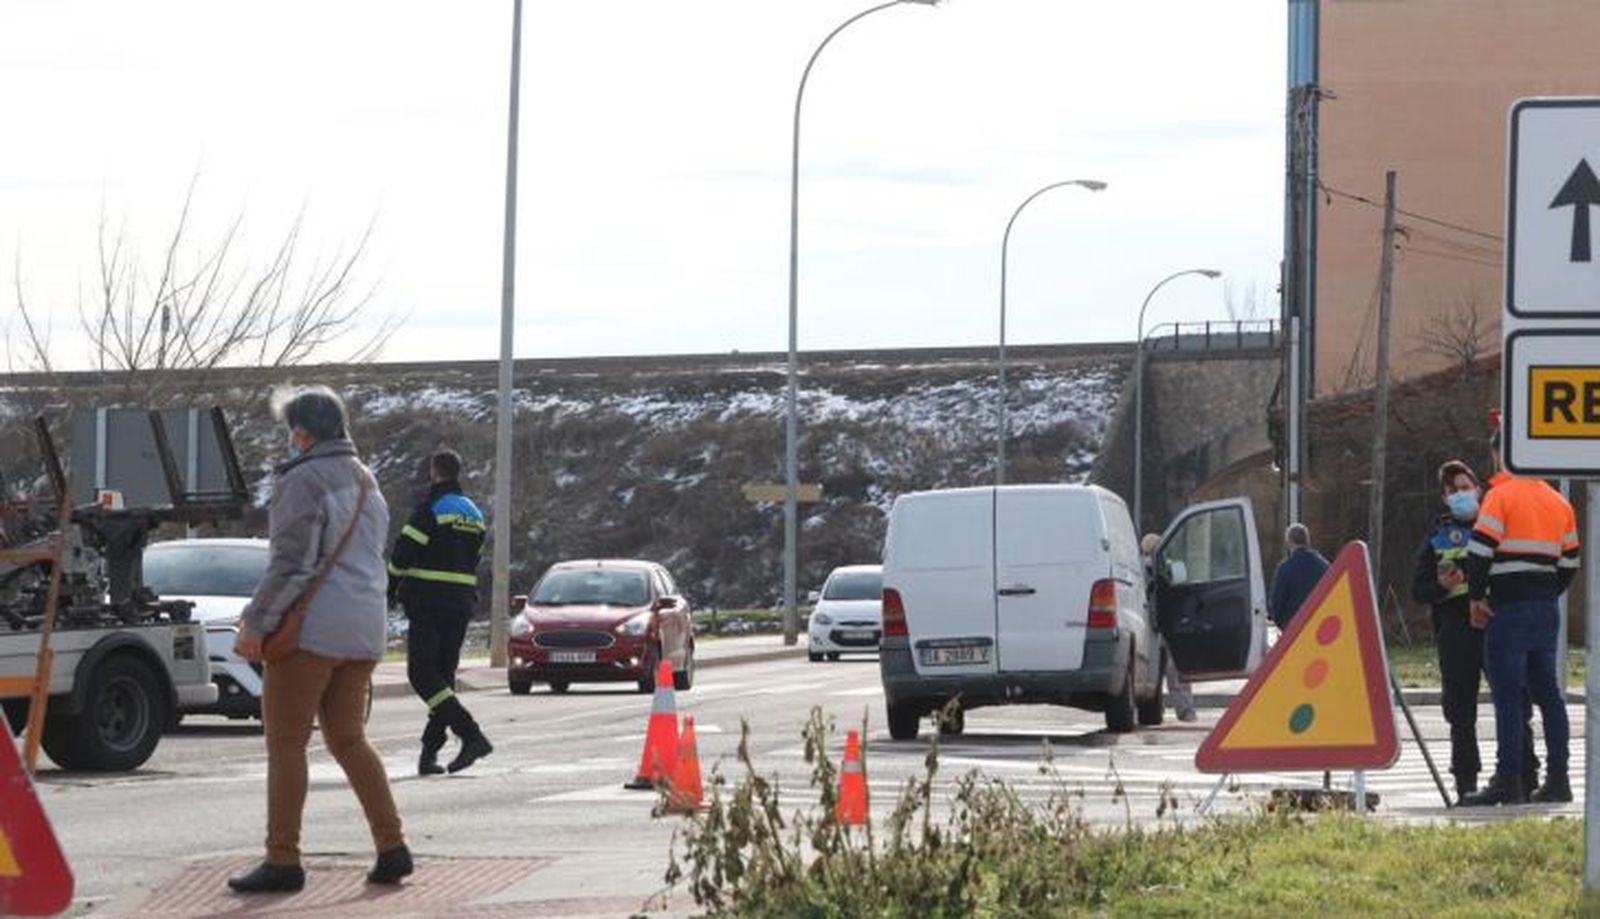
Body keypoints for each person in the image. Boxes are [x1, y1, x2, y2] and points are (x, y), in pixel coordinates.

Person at [229, 386, 411, 893]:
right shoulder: (367, 480)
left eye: (292, 429)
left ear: (303, 432)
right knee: (349, 739)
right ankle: (392, 844)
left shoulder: (304, 479)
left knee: (285, 744)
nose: (291, 439)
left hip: (311, 632)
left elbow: (291, 562)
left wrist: (256, 622)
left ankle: (282, 858)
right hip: (364, 628)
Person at [1459, 433, 1580, 806]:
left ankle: (1508, 780)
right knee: (1550, 696)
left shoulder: (1500, 495)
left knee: (1508, 698)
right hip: (1545, 609)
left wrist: (1477, 598)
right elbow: (1570, 564)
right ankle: (1558, 778)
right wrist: (1544, 593)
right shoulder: (1559, 502)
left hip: (1507, 609)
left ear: (1500, 453)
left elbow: (1479, 553)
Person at [1410, 459, 1536, 802]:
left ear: (1479, 490)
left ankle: (1524, 776)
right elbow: (1418, 591)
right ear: (1444, 497)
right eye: (1453, 491)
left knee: (1514, 702)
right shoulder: (1436, 538)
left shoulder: (1499, 528)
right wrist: (1440, 585)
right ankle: (1465, 782)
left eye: (1466, 488)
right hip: (1455, 630)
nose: (1461, 495)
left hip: (1498, 624)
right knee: (1460, 709)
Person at [388, 449, 493, 776]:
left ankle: (471, 735)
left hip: (429, 601)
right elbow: (474, 557)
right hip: (461, 602)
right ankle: (429, 754)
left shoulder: (431, 508)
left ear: (434, 472)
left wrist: (391, 587)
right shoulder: (473, 513)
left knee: (421, 674)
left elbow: (402, 555)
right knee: (443, 677)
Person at [1141, 533, 1196, 722]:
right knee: (1177, 673)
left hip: (1148, 626)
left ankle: (1153, 708)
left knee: (1150, 670)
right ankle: (1186, 710)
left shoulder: (1138, 569)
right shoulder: (1172, 567)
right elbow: (1184, 591)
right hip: (1171, 626)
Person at [1268, 523, 1329, 630]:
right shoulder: (1324, 566)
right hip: (1319, 627)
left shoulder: (1284, 568)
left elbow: (1277, 603)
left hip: (1293, 629)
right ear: (1307, 541)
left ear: (1288, 542)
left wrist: (1280, 624)